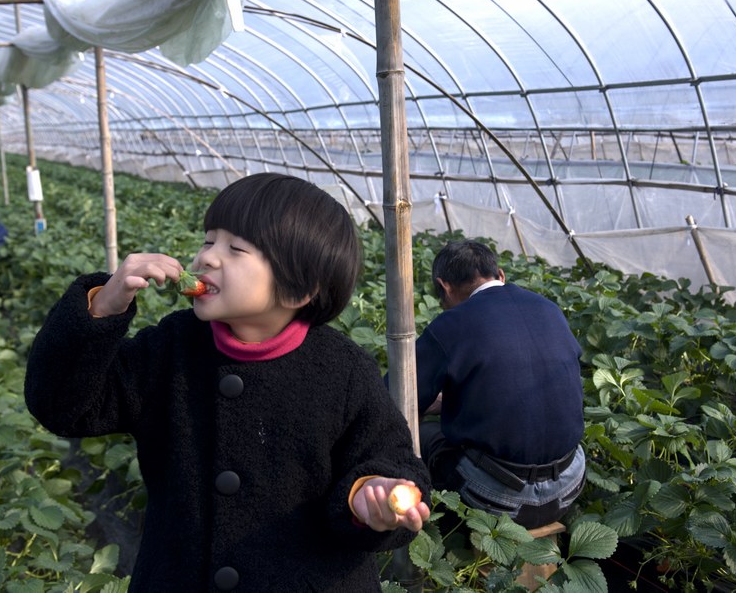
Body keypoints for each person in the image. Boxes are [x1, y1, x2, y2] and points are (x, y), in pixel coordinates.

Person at [24, 172, 431, 593]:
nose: (207, 258)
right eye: (208, 240)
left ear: (297, 290)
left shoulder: (344, 370)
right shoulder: (171, 347)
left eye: (234, 249)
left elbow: (389, 458)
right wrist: (103, 306)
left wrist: (372, 495)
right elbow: (62, 405)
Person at [415, 239, 585, 529]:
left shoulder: (450, 325)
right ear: (501, 276)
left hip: (497, 500)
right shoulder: (549, 309)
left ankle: (438, 534)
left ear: (444, 287)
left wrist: (432, 404)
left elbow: (396, 398)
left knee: (422, 434)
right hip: (569, 488)